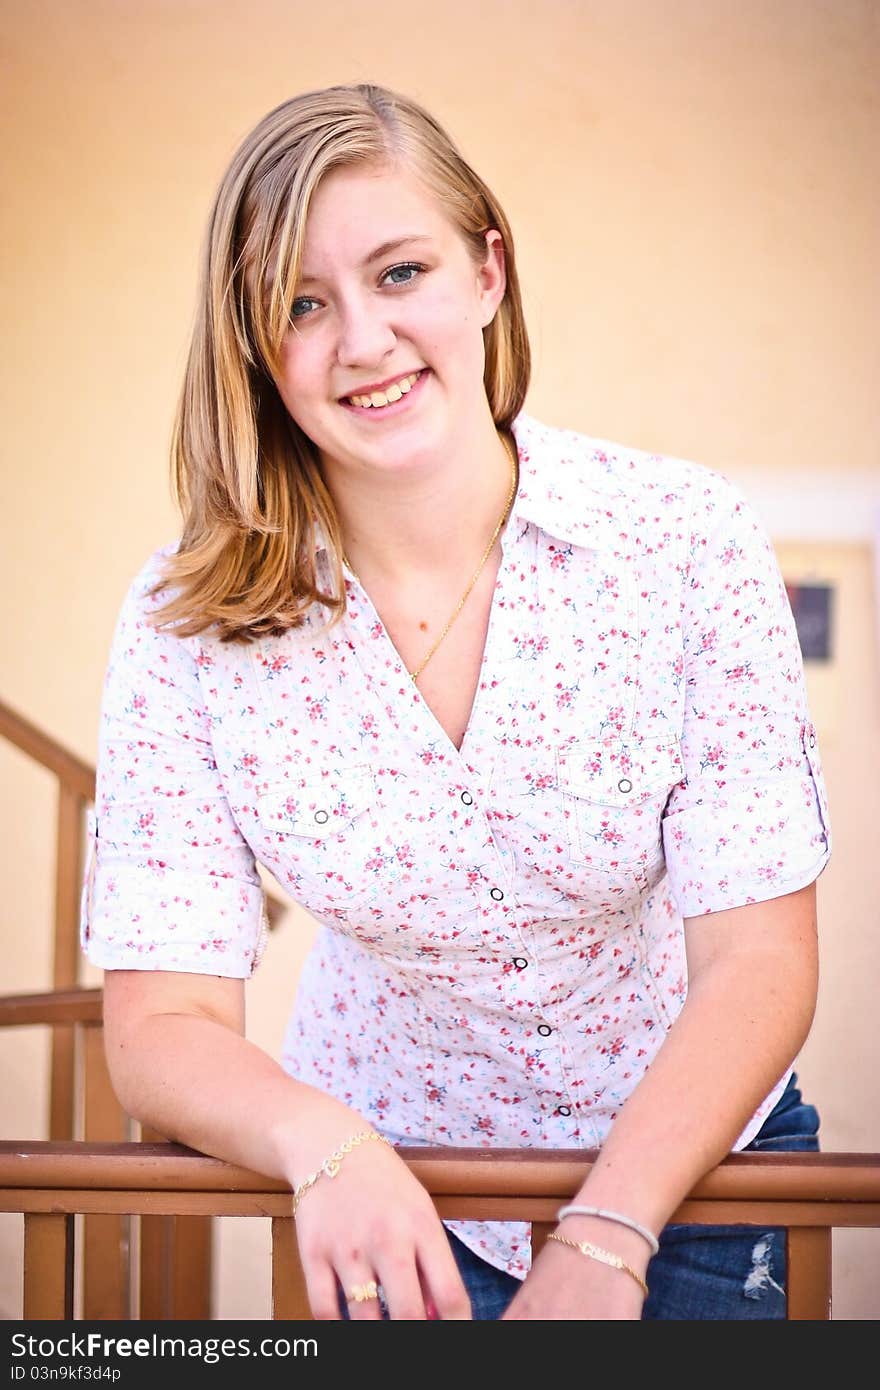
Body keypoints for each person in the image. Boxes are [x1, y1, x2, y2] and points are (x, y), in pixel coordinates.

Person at [81, 81, 831, 1321]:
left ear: (487, 274)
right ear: (256, 350)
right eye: (301, 304)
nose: (362, 341)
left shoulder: (683, 539)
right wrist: (325, 1145)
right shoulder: (184, 624)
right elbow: (161, 1019)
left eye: (398, 272)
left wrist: (605, 1234)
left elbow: (759, 955)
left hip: (695, 1167)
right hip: (389, 1199)